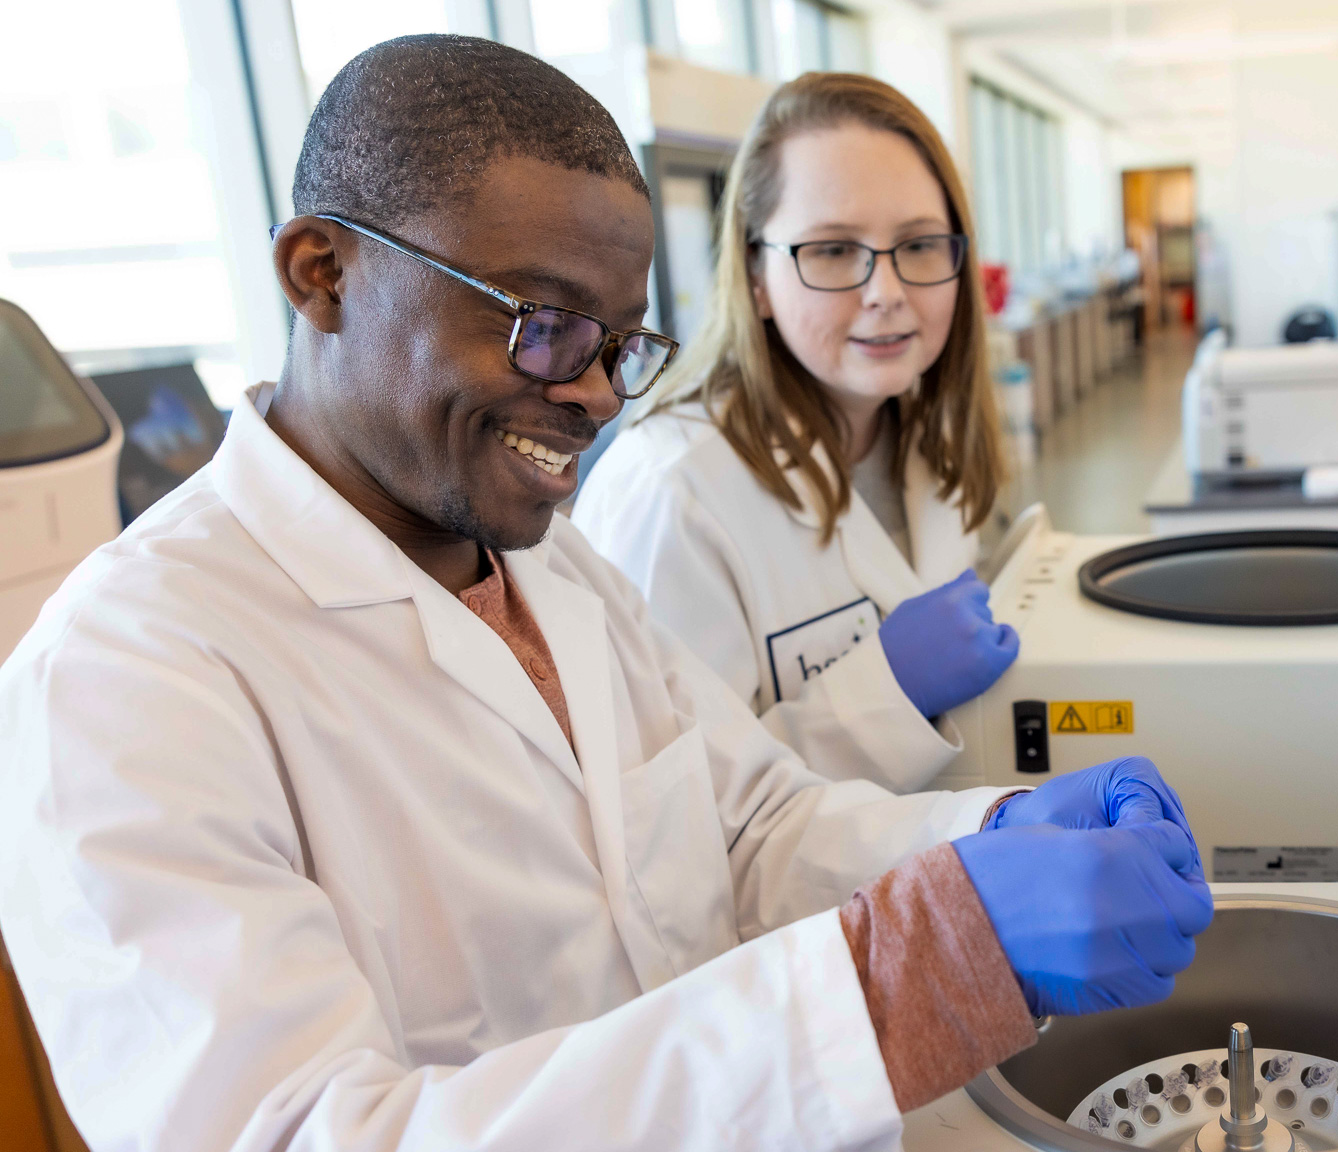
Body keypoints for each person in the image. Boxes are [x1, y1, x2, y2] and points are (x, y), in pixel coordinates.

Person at [0, 37, 1210, 1152]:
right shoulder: (123, 678)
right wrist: (899, 977)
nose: (591, 397)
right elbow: (305, 1133)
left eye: (620, 346)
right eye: (541, 327)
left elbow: (746, 830)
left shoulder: (547, 563)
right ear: (322, 273)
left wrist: (984, 840)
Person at [574, 73, 1015, 793]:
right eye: (833, 250)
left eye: (920, 245)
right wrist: (886, 695)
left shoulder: (928, 442)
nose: (887, 291)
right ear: (754, 277)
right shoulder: (671, 494)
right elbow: (667, 810)